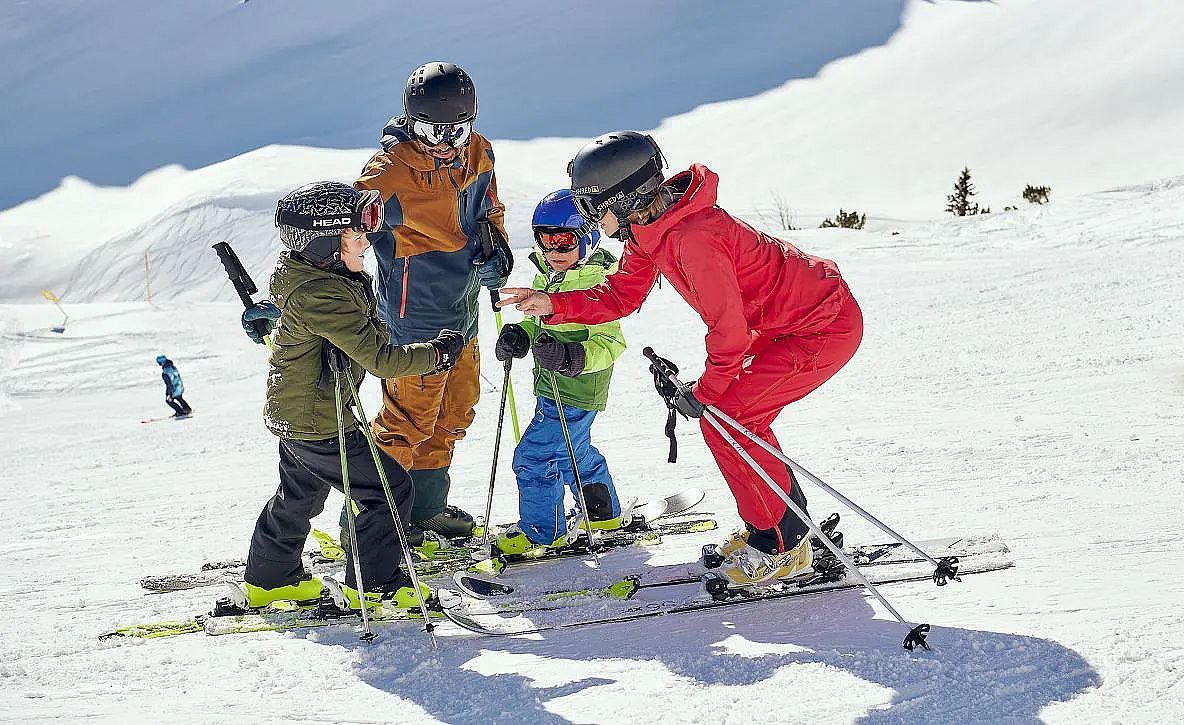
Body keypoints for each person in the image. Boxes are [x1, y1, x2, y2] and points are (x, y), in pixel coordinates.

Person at [499, 132, 863, 588]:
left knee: (729, 416)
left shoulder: (693, 238)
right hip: (781, 326)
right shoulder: (650, 230)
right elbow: (621, 294)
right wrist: (554, 305)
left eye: (593, 206)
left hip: (820, 326)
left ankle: (781, 546)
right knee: (732, 418)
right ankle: (781, 527)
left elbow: (728, 332)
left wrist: (704, 392)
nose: (590, 217)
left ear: (624, 198)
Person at [239, 180, 464, 611]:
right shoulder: (323, 294)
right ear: (326, 243)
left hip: (300, 415)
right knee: (387, 488)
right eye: (357, 235)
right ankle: (373, 584)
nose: (367, 243)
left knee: (300, 495)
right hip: (321, 421)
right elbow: (382, 358)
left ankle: (270, 578)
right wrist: (437, 353)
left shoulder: (317, 277)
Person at [491, 189, 627, 556]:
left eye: (564, 244)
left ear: (589, 235)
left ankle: (542, 533)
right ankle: (603, 514)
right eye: (545, 243)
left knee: (534, 458)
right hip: (552, 385)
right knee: (572, 451)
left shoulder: (597, 284)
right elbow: (541, 322)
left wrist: (572, 357)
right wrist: (522, 334)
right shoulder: (550, 277)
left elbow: (611, 343)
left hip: (578, 388)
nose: (553, 254)